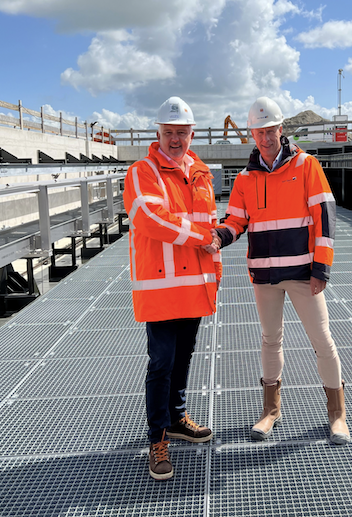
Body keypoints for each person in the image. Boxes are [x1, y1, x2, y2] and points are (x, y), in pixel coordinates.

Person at [213, 96, 350, 445]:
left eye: (270, 130)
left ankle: (337, 414)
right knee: (270, 340)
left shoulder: (306, 166)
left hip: (304, 273)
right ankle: (271, 410)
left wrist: (322, 267)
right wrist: (217, 237)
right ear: (252, 134)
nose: (265, 137)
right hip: (264, 276)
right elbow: (237, 221)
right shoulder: (244, 178)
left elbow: (324, 218)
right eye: (259, 132)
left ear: (280, 129)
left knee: (322, 340)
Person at [123, 96, 223, 481]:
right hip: (162, 289)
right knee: (161, 363)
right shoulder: (142, 172)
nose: (176, 140)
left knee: (182, 359)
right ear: (158, 133)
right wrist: (201, 238)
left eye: (182, 133)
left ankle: (178, 419)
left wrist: (213, 276)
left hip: (194, 286)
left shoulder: (199, 174)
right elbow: (151, 219)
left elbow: (211, 225)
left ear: (192, 134)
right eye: (169, 133)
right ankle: (157, 438)